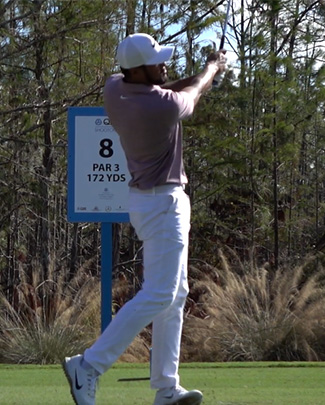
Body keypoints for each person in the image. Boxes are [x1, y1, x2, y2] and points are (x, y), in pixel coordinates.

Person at [63, 33, 227, 405]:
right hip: (162, 203)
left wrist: (205, 74)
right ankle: (88, 366)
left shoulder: (115, 88)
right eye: (156, 62)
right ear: (138, 71)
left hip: (148, 201)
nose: (164, 64)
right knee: (160, 293)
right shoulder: (162, 107)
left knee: (175, 294)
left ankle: (166, 387)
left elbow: (170, 88)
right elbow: (191, 95)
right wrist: (212, 68)